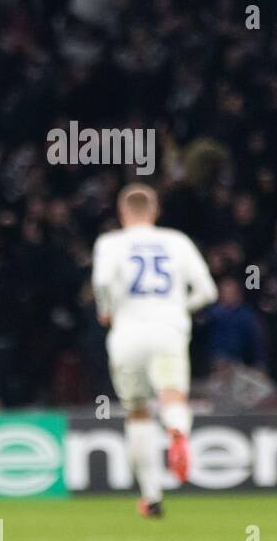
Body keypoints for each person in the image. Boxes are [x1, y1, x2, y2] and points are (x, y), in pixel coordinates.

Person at [92, 183, 217, 518]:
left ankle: (151, 497)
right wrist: (179, 308)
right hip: (168, 331)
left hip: (127, 333)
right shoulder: (177, 241)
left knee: (137, 411)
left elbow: (103, 282)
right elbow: (207, 291)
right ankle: (177, 430)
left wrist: (106, 309)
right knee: (172, 397)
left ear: (122, 213)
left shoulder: (110, 242)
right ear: (155, 211)